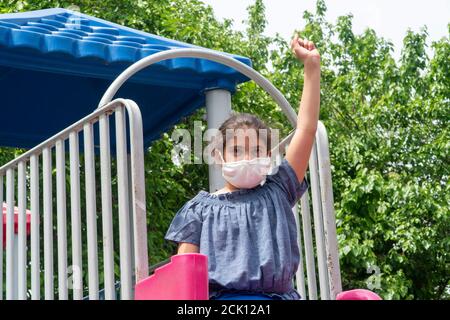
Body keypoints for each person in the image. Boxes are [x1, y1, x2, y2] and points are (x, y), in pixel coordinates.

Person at [165, 34, 321, 300]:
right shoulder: (199, 210)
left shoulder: (279, 190)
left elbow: (306, 129)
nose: (247, 157)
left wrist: (312, 67)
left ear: (268, 155)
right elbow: (184, 279)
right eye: (236, 150)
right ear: (220, 156)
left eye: (256, 150)